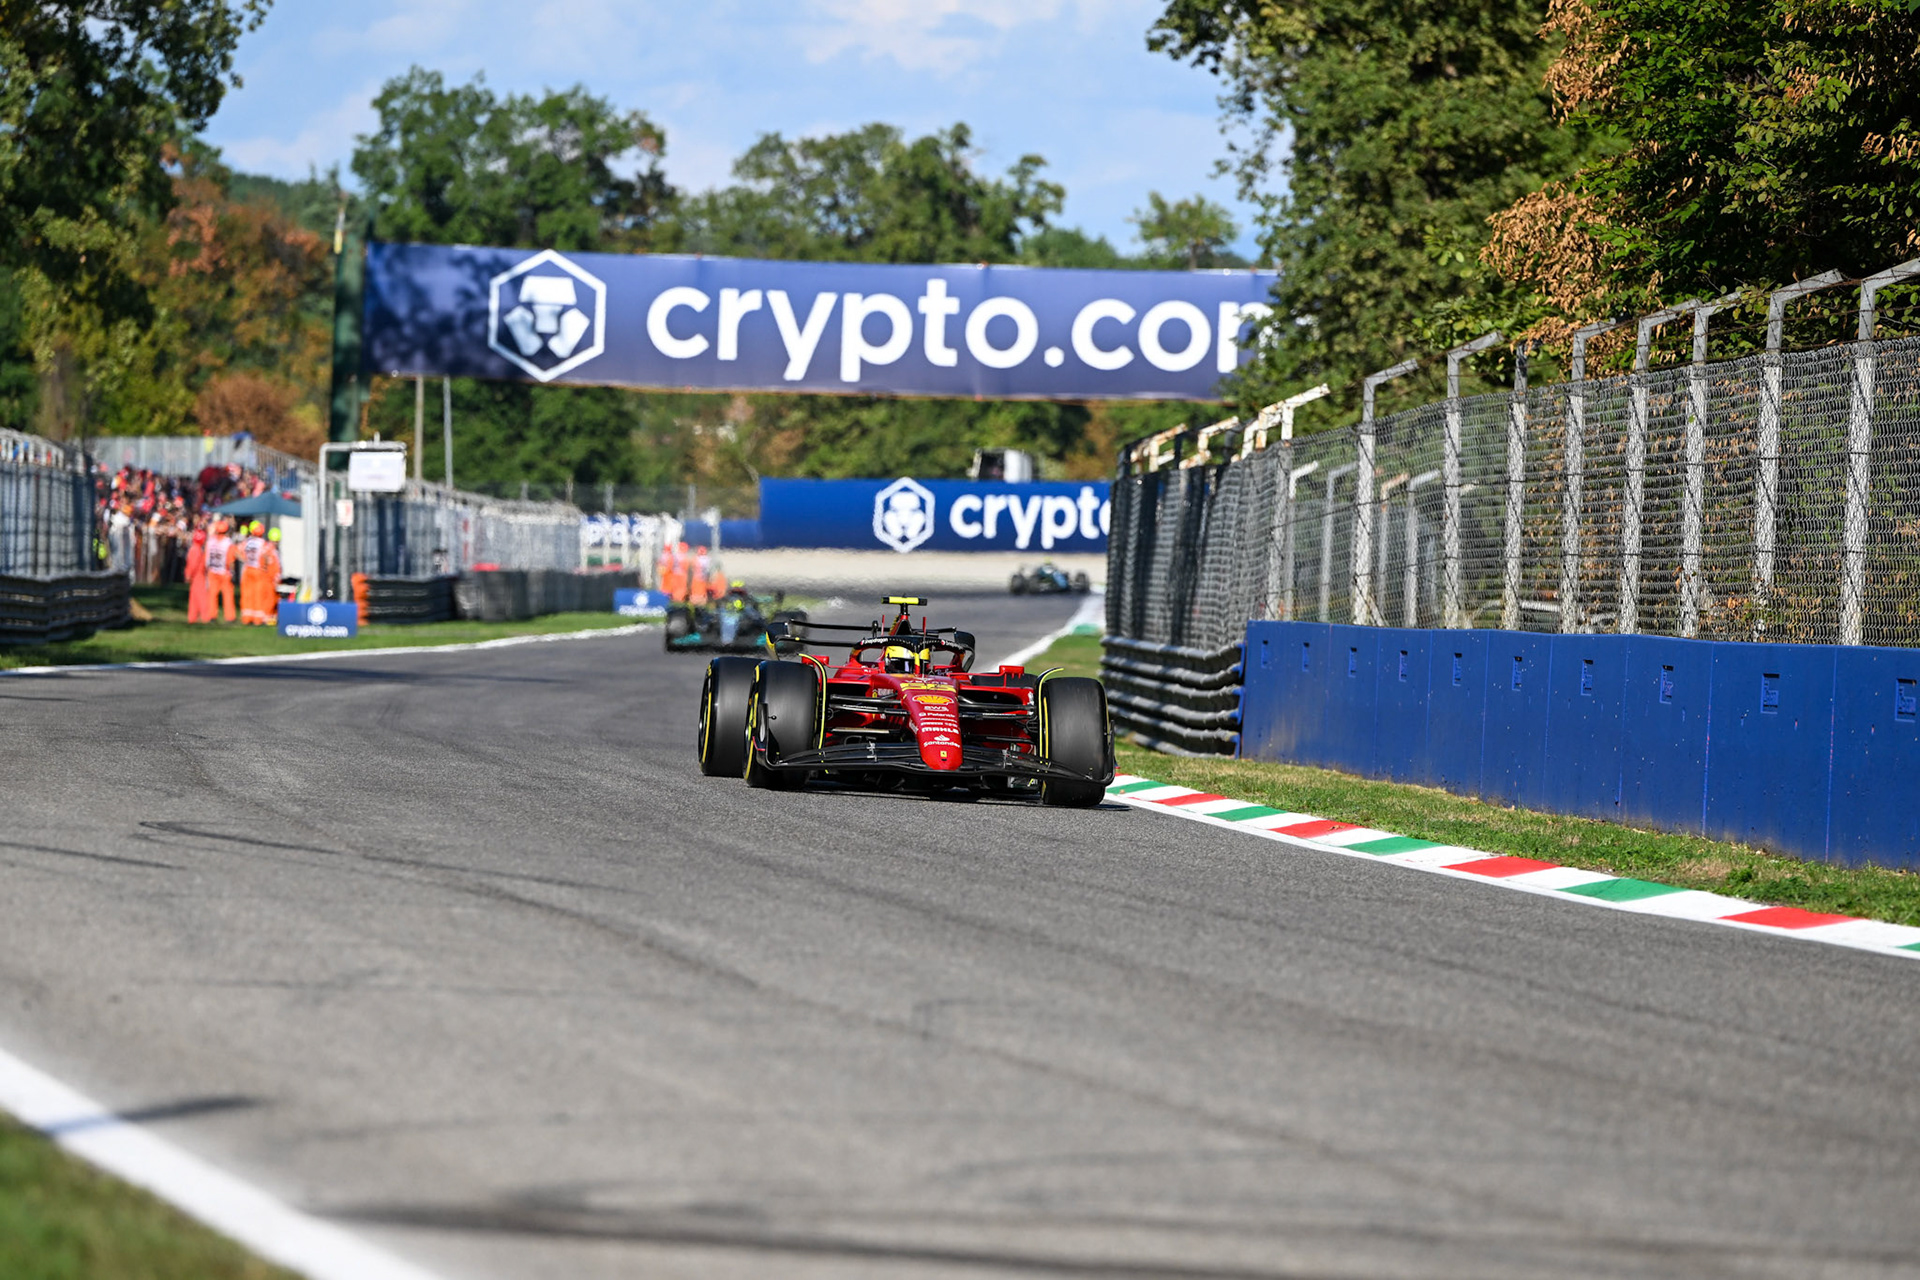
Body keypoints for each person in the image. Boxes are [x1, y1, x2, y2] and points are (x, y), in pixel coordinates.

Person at [238, 521, 269, 625]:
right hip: (258, 570)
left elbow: (237, 551)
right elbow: (265, 556)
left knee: (247, 594)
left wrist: (245, 560)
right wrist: (265, 566)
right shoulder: (263, 543)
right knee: (258, 594)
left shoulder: (246, 542)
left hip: (248, 569)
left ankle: (246, 618)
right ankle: (258, 620)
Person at [206, 519, 237, 623]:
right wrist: (232, 572)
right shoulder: (228, 543)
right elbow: (231, 560)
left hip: (212, 570)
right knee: (227, 595)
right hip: (224, 572)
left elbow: (206, 556)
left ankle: (212, 616)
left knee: (212, 595)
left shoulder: (210, 541)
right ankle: (229, 617)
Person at [184, 529, 212, 624]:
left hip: (196, 576)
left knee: (194, 598)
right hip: (198, 575)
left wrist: (188, 574)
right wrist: (189, 574)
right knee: (201, 597)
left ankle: (192, 617)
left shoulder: (194, 549)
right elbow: (193, 564)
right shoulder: (196, 550)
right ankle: (205, 617)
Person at [261, 527, 284, 625]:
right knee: (269, 599)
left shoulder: (272, 549)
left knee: (276, 598)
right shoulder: (268, 550)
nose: (276, 543)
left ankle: (274, 617)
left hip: (274, 578)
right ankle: (266, 618)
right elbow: (267, 565)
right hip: (269, 579)